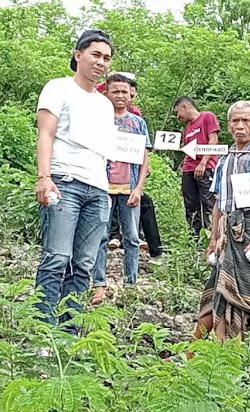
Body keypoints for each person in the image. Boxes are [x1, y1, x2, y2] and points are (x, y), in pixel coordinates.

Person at [34, 29, 114, 333]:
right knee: (57, 257)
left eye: (106, 58)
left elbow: (104, 152)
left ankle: (67, 333)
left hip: (97, 188)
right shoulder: (58, 88)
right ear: (78, 54)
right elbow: (46, 133)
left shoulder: (105, 105)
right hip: (64, 181)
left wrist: (106, 190)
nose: (101, 62)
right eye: (95, 54)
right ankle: (42, 330)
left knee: (83, 264)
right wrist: (45, 177)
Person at [194, 100, 250, 360]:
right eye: (235, 121)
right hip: (227, 228)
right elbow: (219, 201)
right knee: (219, 286)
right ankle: (201, 348)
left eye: (245, 121)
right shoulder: (226, 158)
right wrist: (213, 236)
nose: (240, 126)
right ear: (229, 125)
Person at [91, 73, 151, 304]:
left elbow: (144, 156)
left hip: (129, 187)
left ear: (131, 95)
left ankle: (131, 283)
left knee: (132, 237)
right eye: (115, 91)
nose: (120, 95)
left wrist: (139, 187)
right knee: (101, 236)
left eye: (124, 92)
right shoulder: (99, 119)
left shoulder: (138, 123)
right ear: (106, 92)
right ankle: (98, 283)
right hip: (102, 186)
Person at [174, 97, 220, 239]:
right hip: (189, 169)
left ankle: (213, 236)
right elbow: (188, 151)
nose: (178, 116)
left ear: (185, 107)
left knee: (208, 202)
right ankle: (195, 237)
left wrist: (203, 162)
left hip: (205, 167)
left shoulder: (207, 117)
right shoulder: (187, 129)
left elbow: (213, 141)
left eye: (178, 112)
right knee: (190, 204)